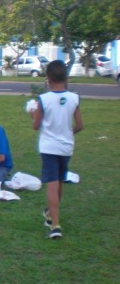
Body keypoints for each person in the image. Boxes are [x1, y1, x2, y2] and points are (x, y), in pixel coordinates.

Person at [29, 60, 83, 239]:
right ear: (66, 78)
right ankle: (50, 214)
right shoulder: (74, 98)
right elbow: (79, 126)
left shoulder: (44, 99)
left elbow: (36, 126)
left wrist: (32, 114)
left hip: (49, 147)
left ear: (48, 79)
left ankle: (55, 225)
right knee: (59, 181)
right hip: (66, 147)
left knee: (51, 185)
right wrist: (67, 133)